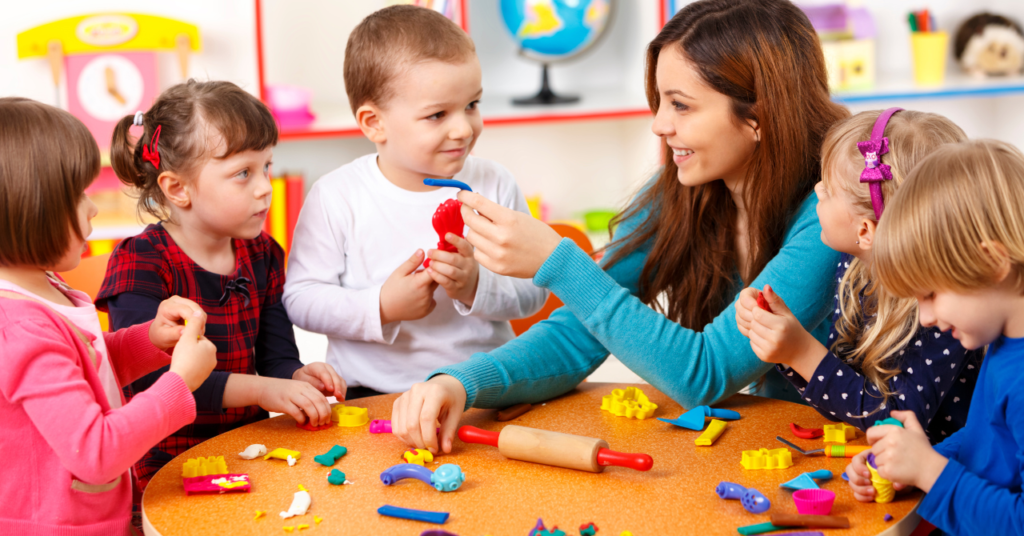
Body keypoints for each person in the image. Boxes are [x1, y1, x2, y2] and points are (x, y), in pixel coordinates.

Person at [391, 0, 849, 454]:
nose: (658, 125)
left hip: (856, 460)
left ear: (758, 116)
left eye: (681, 106)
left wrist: (559, 264)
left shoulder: (833, 214)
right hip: (778, 445)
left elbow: (704, 374)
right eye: (660, 102)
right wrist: (461, 384)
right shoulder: (690, 186)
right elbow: (580, 331)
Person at [283, 5, 547, 398]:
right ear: (375, 123)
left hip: (481, 389)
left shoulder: (493, 183)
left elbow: (534, 290)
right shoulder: (336, 196)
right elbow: (301, 299)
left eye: (472, 105)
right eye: (437, 114)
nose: (463, 128)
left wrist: (477, 285)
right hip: (372, 396)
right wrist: (381, 306)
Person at [97, 80, 343, 497]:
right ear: (178, 189)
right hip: (164, 468)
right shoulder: (140, 261)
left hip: (249, 451)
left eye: (266, 166)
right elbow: (154, 381)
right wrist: (267, 389)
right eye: (243, 173)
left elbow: (276, 355)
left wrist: (296, 377)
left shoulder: (263, 253)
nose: (265, 186)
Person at [0, 97, 217, 535]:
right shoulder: (22, 327)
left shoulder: (44, 287)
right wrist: (179, 384)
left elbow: (87, 365)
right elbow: (95, 454)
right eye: (77, 195)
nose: (93, 207)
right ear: (29, 207)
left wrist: (151, 341)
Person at [736, 109, 981, 440]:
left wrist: (800, 352)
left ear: (866, 230)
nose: (818, 190)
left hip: (942, 476)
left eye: (830, 191)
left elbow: (896, 422)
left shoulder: (944, 314)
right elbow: (847, 393)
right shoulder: (852, 266)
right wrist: (784, 339)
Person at [847, 139, 1024, 535]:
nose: (925, 317)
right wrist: (912, 464)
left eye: (930, 294)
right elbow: (992, 445)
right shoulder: (1003, 342)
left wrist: (931, 471)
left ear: (994, 262)